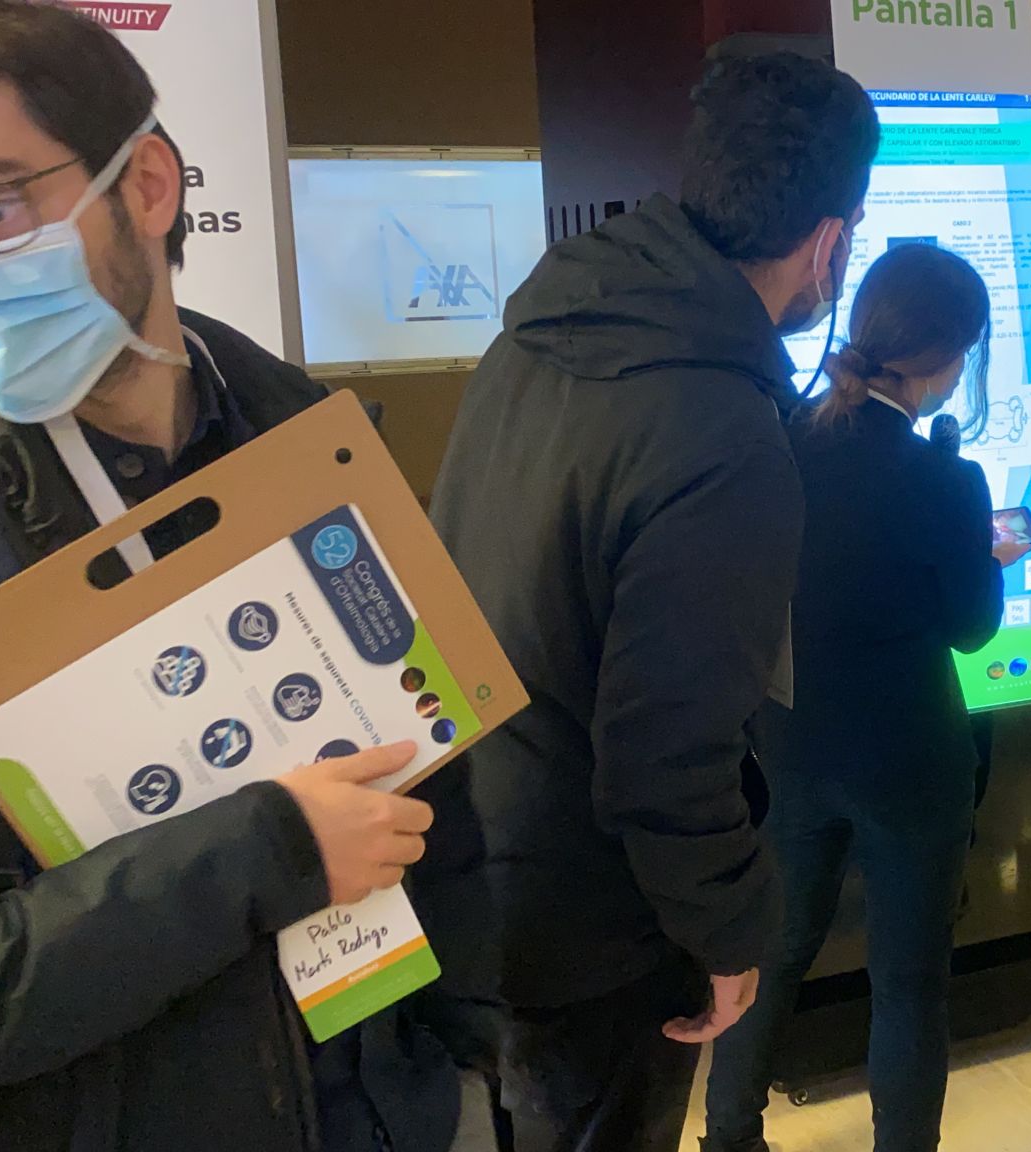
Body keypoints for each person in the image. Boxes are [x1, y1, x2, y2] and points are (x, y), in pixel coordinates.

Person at [0, 4, 453, 1150]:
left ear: (146, 185)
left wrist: (459, 1043)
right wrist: (262, 853)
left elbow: (434, 755)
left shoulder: (307, 455)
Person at [416, 53, 880, 1151]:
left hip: (464, 865)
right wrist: (728, 935)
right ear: (830, 241)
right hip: (593, 932)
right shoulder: (719, 430)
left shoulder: (539, 335)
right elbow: (669, 751)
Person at [702, 244, 1018, 1152]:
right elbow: (972, 629)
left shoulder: (777, 438)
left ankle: (728, 1136)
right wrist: (987, 558)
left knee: (774, 956)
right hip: (912, 760)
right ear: (950, 360)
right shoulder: (947, 479)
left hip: (792, 745)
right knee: (909, 982)